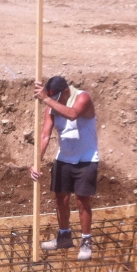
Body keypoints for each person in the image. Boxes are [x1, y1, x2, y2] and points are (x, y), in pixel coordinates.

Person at [30, 75, 99, 261]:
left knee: (82, 201)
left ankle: (86, 241)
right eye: (52, 97)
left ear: (66, 91)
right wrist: (36, 162)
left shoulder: (82, 98)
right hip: (64, 159)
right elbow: (45, 136)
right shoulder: (51, 107)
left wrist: (46, 99)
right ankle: (64, 236)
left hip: (86, 159)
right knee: (61, 199)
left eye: (57, 97)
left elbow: (72, 114)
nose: (55, 101)